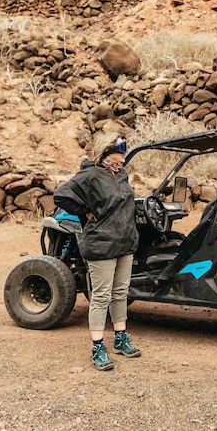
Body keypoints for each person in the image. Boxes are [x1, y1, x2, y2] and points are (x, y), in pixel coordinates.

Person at [54, 131, 141, 371]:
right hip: (101, 243)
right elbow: (61, 195)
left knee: (121, 291)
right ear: (107, 151)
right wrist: (85, 212)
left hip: (125, 241)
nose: (124, 157)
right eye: (120, 152)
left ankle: (120, 338)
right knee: (101, 296)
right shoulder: (90, 174)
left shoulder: (120, 173)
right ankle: (98, 345)